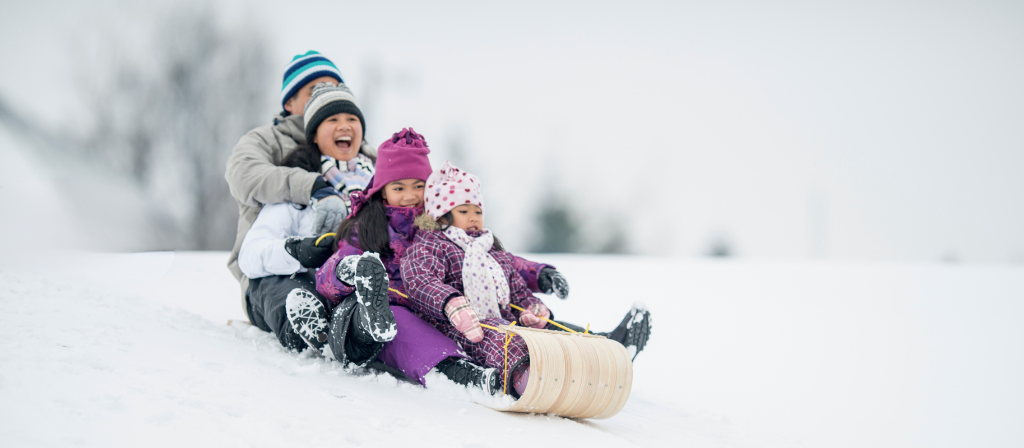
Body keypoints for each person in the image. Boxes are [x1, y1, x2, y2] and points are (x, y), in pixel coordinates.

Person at [401, 161, 655, 396]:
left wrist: (531, 310)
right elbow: (420, 280)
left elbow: (517, 291)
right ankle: (530, 380)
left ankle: (605, 353)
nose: (473, 217)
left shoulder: (493, 253)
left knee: (550, 333)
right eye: (463, 211)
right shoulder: (431, 245)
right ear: (441, 216)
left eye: (477, 211)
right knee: (508, 341)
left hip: (504, 321)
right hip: (459, 330)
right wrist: (452, 304)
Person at [236, 83, 393, 368]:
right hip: (293, 282)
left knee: (353, 295)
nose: (344, 126)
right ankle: (308, 332)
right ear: (314, 136)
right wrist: (296, 251)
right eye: (332, 119)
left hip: (342, 284)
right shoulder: (300, 188)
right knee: (286, 289)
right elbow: (251, 254)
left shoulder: (380, 190)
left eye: (352, 119)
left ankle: (359, 330)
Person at [225, 51, 374, 324]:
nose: (326, 93)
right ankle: (306, 325)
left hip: (341, 272)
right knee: (287, 294)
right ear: (290, 101)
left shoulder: (361, 157)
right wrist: (313, 185)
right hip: (270, 273)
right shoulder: (266, 139)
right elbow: (243, 174)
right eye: (315, 89)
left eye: (334, 88)